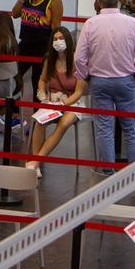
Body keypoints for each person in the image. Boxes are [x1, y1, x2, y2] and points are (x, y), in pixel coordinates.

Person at [74, 0, 135, 175]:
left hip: (99, 82)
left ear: (98, 2)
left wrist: (85, 76)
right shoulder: (132, 23)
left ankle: (107, 172)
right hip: (125, 80)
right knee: (131, 128)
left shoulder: (90, 24)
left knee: (104, 129)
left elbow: (78, 58)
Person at [26, 26, 86, 179]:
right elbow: (42, 79)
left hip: (73, 103)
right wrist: (42, 94)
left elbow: (79, 92)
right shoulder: (49, 59)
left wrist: (64, 105)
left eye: (61, 38)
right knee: (39, 122)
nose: (58, 42)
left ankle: (35, 161)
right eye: (55, 39)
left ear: (68, 40)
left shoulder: (78, 61)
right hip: (52, 102)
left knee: (64, 123)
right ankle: (36, 164)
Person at [10, 0, 64, 101]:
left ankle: (37, 119)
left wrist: (55, 52)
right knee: (13, 75)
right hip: (26, 43)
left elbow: (56, 27)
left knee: (37, 82)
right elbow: (15, 13)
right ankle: (13, 113)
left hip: (43, 46)